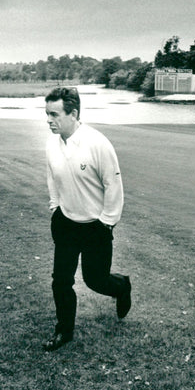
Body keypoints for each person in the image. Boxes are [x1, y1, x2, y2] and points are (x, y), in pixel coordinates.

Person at [42, 86, 132, 352]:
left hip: (95, 227)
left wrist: (107, 221)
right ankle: (64, 330)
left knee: (95, 280)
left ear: (73, 113)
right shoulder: (52, 143)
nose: (49, 120)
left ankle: (122, 286)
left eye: (55, 114)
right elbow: (52, 175)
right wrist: (55, 204)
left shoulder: (98, 144)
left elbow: (113, 185)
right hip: (66, 224)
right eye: (47, 114)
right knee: (61, 280)